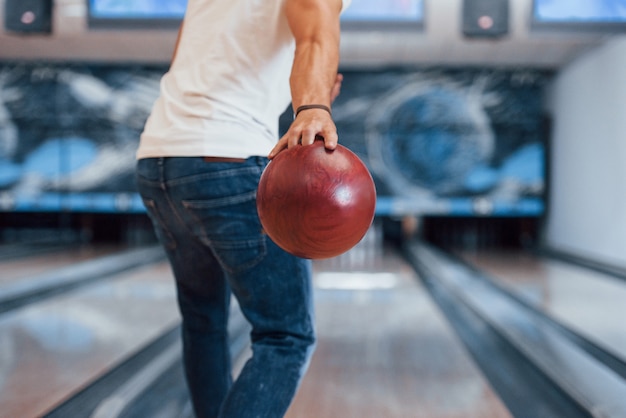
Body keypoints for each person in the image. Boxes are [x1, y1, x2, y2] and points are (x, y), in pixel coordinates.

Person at [135, 0, 350, 416]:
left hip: (158, 158)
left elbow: (204, 58)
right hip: (229, 161)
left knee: (203, 323)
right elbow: (313, 22)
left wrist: (313, 86)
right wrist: (314, 107)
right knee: (285, 337)